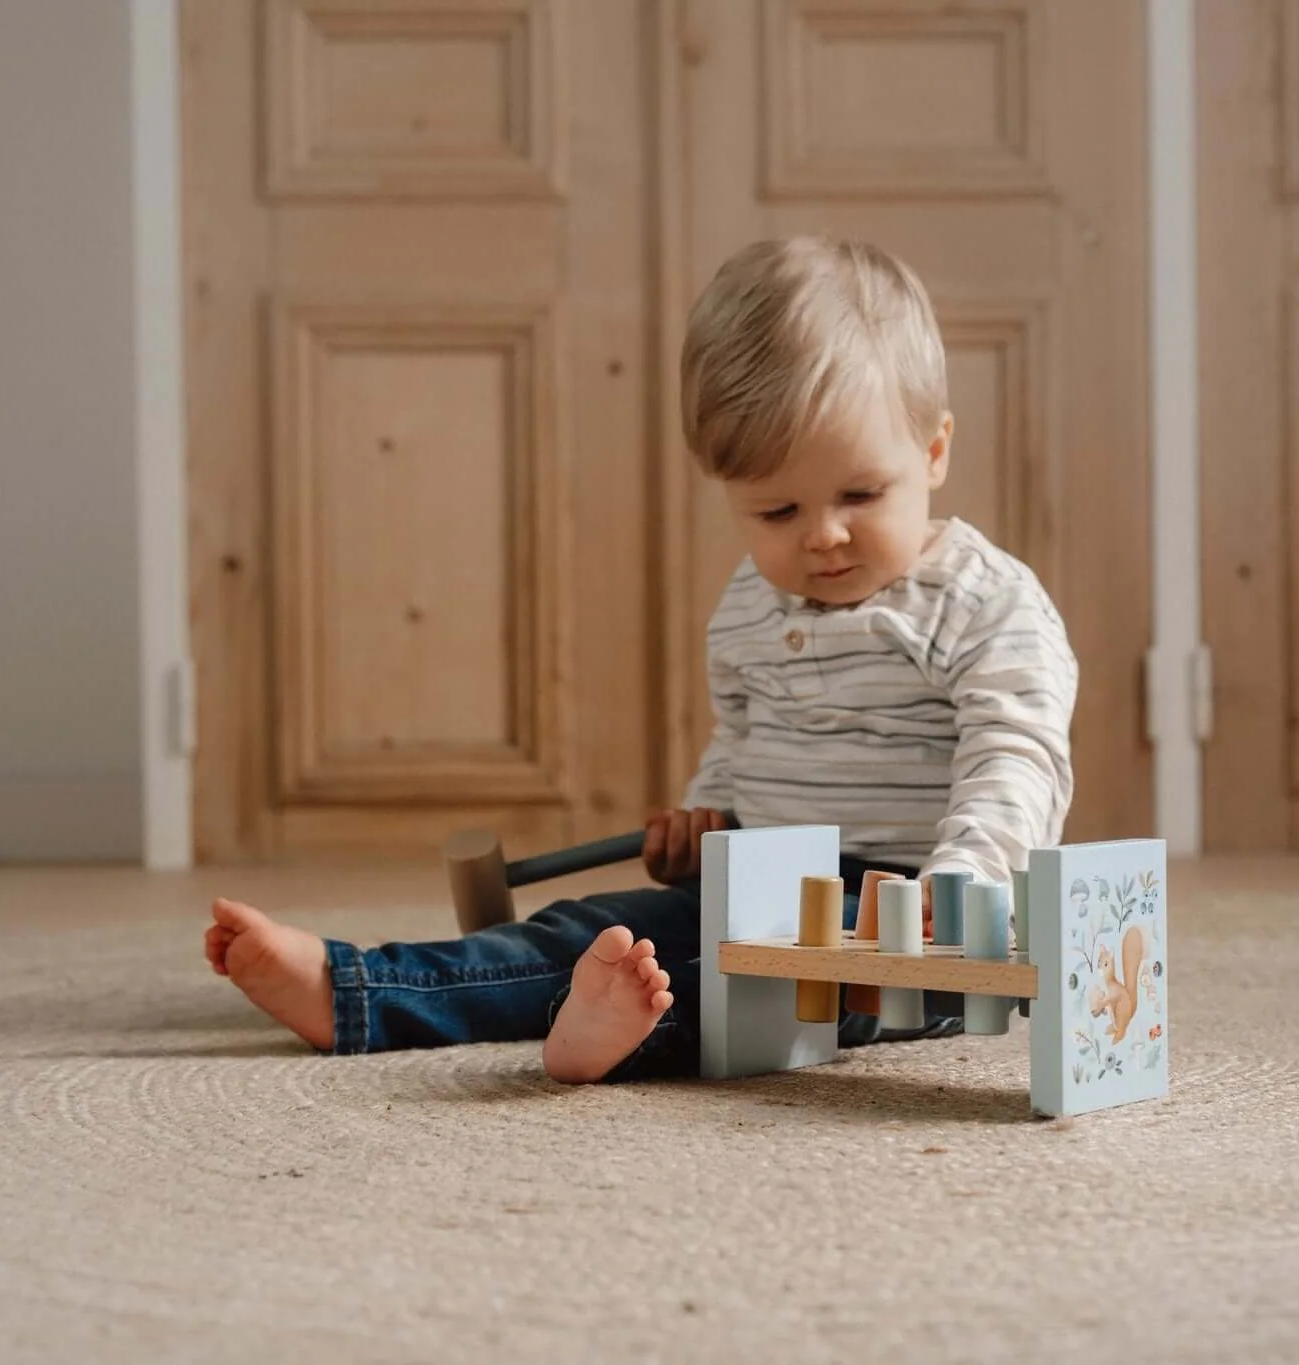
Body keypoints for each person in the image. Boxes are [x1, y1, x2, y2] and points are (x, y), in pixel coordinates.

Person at [203, 235, 1078, 1083]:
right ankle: (359, 989)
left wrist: (962, 883)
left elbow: (1017, 757)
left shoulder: (984, 603)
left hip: (915, 913)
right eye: (777, 512)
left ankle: (630, 1033)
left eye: (860, 494)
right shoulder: (753, 601)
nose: (822, 535)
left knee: (776, 981)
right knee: (591, 931)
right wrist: (708, 821)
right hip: (764, 877)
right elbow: (743, 737)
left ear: (933, 451)